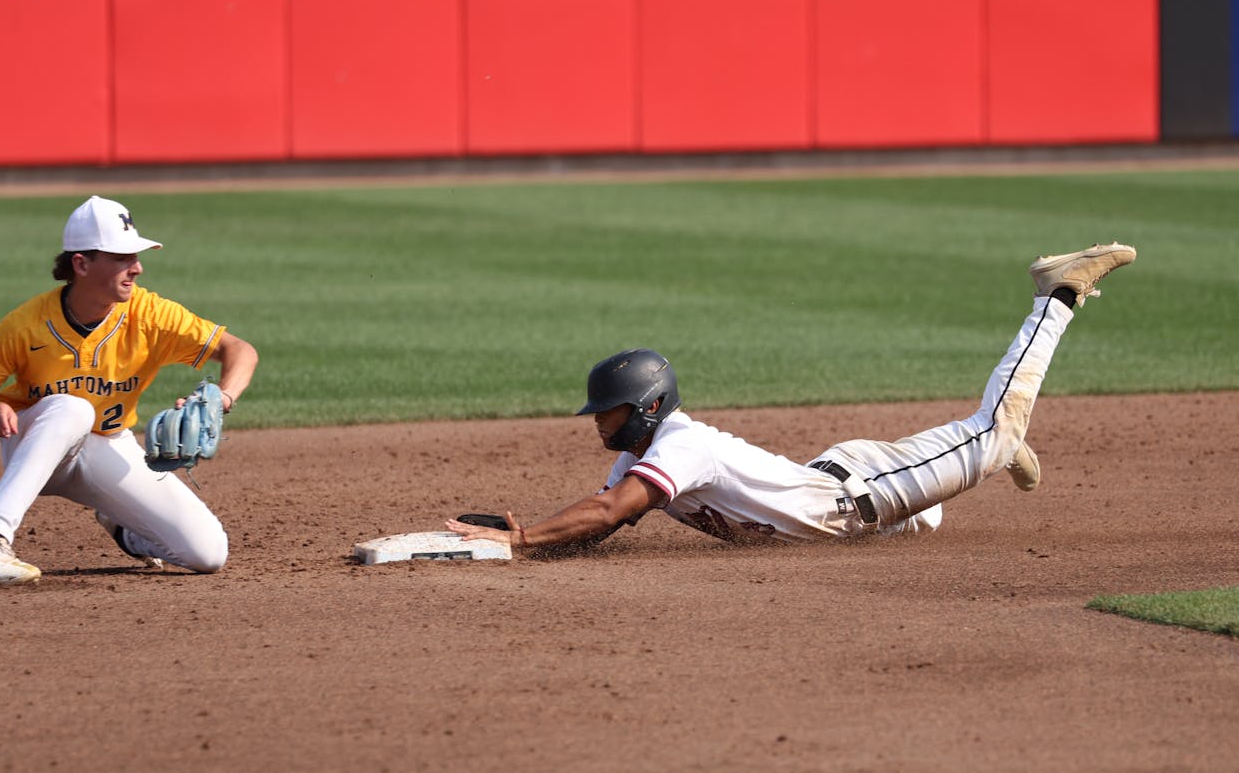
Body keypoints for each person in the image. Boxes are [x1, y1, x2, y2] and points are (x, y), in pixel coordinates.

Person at [446, 243, 1135, 552]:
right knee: (929, 495)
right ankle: (975, 458)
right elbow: (604, 522)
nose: (600, 422)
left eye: (610, 411)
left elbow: (604, 511)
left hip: (856, 491)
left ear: (648, 407)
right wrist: (520, 533)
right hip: (838, 491)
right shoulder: (640, 462)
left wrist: (527, 538)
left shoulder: (679, 446)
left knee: (992, 432)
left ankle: (1057, 293)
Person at [0, 195, 259, 584]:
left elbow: (240, 351)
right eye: (122, 258)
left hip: (107, 445)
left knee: (208, 553)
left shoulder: (151, 315)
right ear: (82, 263)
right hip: (35, 444)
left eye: (136, 257)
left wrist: (222, 397)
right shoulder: (25, 325)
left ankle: (126, 529)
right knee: (73, 409)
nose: (137, 268)